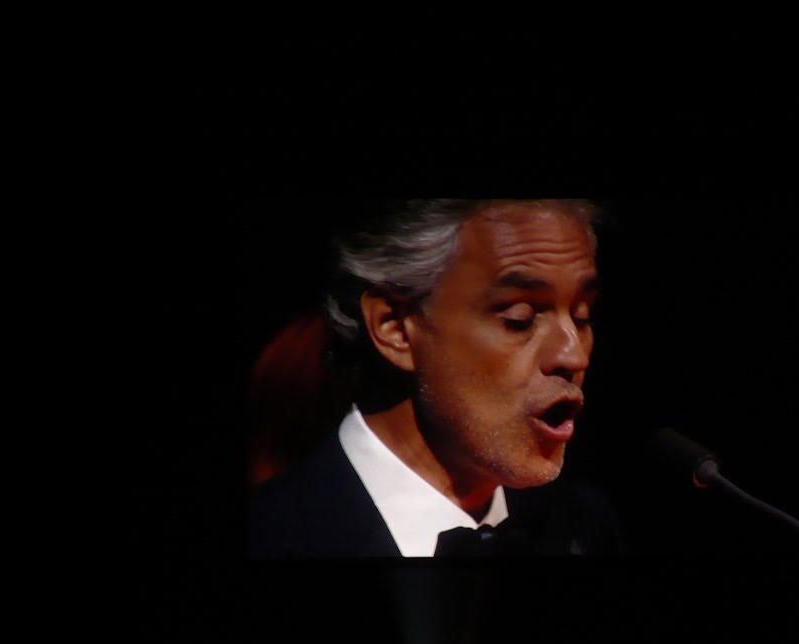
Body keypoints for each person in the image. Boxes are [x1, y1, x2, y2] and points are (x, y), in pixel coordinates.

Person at [248, 199, 626, 557]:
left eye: (581, 316)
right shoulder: (269, 537)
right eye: (519, 319)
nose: (573, 355)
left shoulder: (586, 528)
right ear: (395, 328)